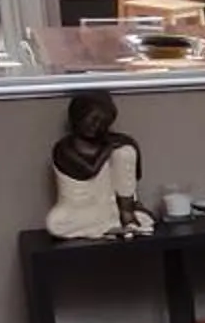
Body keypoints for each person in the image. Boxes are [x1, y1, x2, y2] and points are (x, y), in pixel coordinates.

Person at [47, 91, 150, 238]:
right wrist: (108, 148)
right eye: (92, 120)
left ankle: (126, 214)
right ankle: (113, 226)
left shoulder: (110, 141)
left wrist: (129, 145)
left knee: (125, 151)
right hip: (79, 210)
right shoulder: (64, 148)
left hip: (111, 205)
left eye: (103, 123)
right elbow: (90, 170)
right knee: (55, 223)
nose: (96, 126)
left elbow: (135, 170)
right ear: (77, 117)